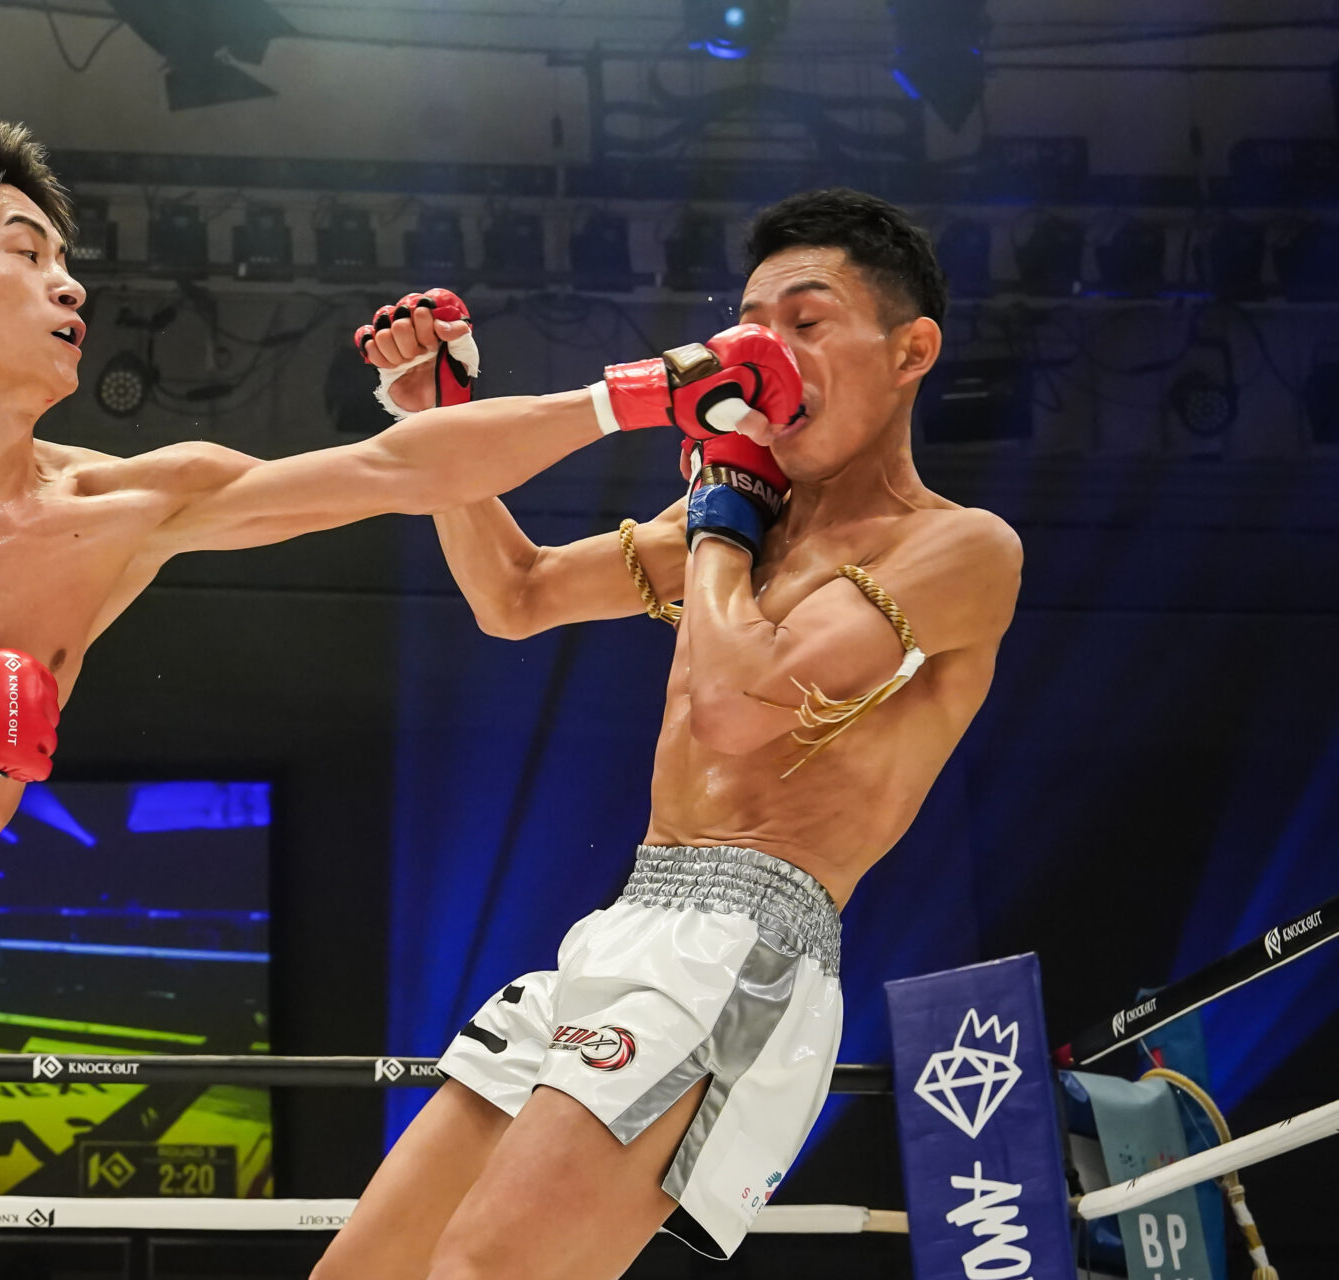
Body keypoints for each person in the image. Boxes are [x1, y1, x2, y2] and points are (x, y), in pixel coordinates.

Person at [0, 119, 773, 1280]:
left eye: (69, 261)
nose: (70, 284)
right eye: (27, 250)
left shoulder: (122, 508)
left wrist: (637, 393)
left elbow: (391, 470)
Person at [314, 188, 1023, 1280]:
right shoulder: (734, 529)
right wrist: (432, 419)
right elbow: (516, 594)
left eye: (807, 320)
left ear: (910, 351)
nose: (764, 351)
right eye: (750, 324)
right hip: (621, 927)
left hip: (748, 944)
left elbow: (736, 709)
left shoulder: (959, 547)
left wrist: (722, 509)